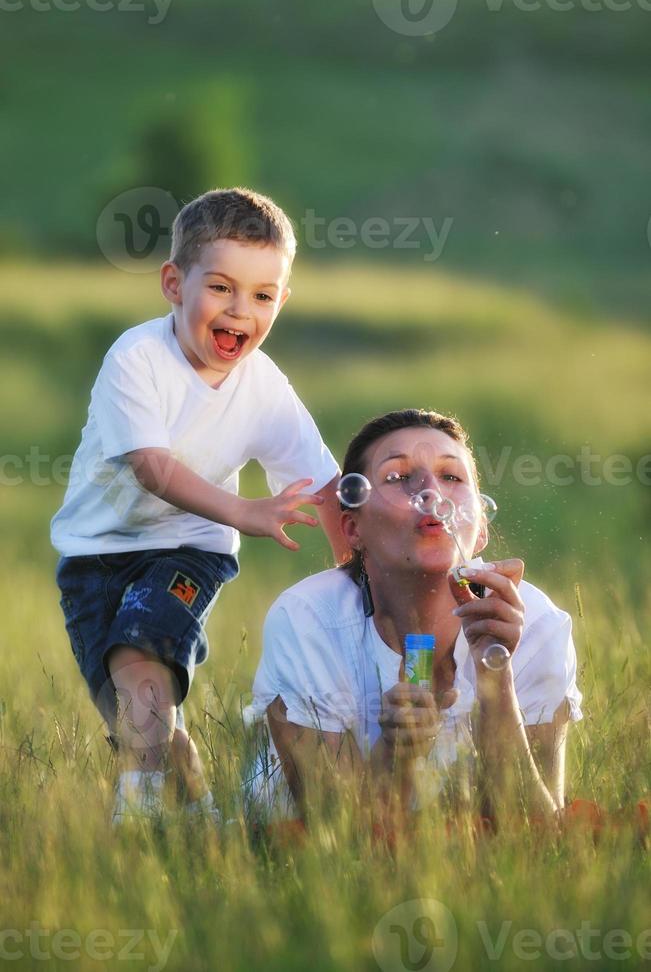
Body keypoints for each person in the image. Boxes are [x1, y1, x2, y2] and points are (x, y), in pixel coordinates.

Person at [51, 187, 348, 824]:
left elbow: (324, 485)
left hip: (192, 548)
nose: (241, 310)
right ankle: (198, 814)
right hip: (92, 560)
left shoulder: (262, 385)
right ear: (173, 284)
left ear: (282, 301)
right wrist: (246, 511)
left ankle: (137, 823)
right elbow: (151, 467)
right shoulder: (137, 360)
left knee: (140, 663)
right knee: (139, 712)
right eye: (220, 287)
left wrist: (359, 569)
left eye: (263, 295)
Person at [249, 409, 582, 827]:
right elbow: (333, 834)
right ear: (352, 529)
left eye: (451, 478)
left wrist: (495, 676)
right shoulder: (308, 620)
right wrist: (395, 754)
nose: (430, 493)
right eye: (397, 477)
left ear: (479, 528)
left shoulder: (535, 625)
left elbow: (536, 833)